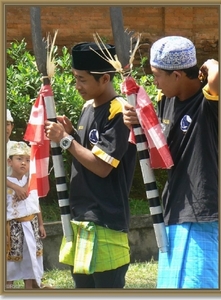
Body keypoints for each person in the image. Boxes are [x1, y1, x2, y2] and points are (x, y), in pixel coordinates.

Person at [123, 36, 218, 289]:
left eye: (156, 74)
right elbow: (163, 148)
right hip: (174, 208)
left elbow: (220, 78)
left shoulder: (210, 102)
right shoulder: (167, 100)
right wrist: (137, 122)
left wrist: (210, 63)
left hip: (203, 213)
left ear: (177, 75)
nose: (154, 81)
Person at [44, 42, 137, 288]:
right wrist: (72, 134)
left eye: (82, 80)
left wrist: (65, 140)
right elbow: (86, 150)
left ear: (105, 78)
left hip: (106, 220)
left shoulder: (120, 112)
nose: (77, 86)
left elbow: (102, 167)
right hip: (81, 217)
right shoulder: (88, 107)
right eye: (75, 78)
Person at [6, 142, 47, 289]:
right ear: (9, 161)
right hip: (12, 228)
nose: (24, 163)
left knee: (31, 260)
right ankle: (7, 289)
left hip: (32, 225)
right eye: (19, 158)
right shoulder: (6, 183)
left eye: (27, 160)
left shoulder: (31, 182)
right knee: (10, 262)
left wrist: (41, 224)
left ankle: (29, 291)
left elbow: (36, 205)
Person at [6, 109, 28, 201]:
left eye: (7, 124)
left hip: (21, 199)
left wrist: (25, 189)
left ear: (12, 126)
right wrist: (16, 187)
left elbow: (31, 172)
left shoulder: (19, 147)